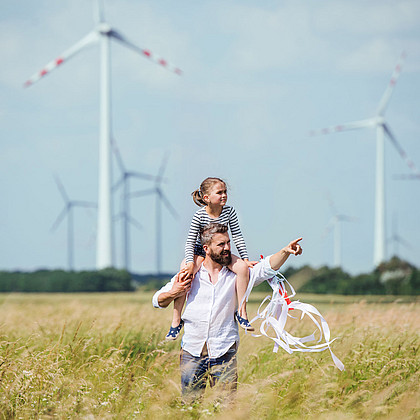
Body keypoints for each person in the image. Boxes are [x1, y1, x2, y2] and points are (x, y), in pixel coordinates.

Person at [152, 222, 303, 399]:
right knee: (190, 407)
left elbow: (266, 267)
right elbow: (157, 300)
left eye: (228, 243)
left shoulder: (239, 275)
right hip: (192, 352)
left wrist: (285, 251)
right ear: (206, 249)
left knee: (227, 409)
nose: (227, 248)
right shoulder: (191, 274)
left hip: (224, 351)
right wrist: (174, 292)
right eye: (221, 244)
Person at [165, 177, 256, 340]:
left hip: (221, 251)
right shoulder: (199, 215)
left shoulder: (229, 212)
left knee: (242, 268)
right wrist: (190, 262)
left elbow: (237, 236)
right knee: (185, 273)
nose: (224, 195)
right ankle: (176, 320)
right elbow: (190, 240)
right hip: (201, 251)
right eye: (219, 192)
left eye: (225, 192)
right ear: (206, 198)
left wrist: (245, 258)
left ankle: (242, 311)